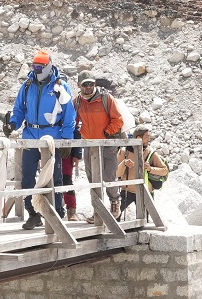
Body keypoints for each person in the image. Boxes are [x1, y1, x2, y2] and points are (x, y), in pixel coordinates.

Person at [9, 51, 76, 230]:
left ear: (48, 66)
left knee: (55, 177)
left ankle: (57, 213)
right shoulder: (27, 85)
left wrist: (67, 139)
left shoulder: (60, 86)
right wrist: (13, 124)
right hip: (30, 135)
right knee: (28, 177)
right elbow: (19, 109)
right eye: (34, 66)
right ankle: (32, 213)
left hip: (52, 137)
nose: (36, 70)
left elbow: (69, 114)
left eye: (39, 67)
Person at [76, 74, 124, 219]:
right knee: (92, 179)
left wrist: (106, 132)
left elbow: (118, 120)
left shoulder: (106, 98)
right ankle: (97, 211)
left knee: (109, 175)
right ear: (79, 86)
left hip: (107, 144)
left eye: (91, 84)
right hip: (89, 146)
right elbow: (71, 120)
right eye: (85, 84)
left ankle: (115, 201)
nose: (88, 87)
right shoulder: (77, 102)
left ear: (95, 83)